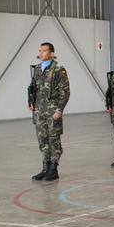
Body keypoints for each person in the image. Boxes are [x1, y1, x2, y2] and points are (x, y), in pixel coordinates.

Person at [27, 42, 70, 181]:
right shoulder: (38, 69)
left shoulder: (59, 69)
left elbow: (65, 92)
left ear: (51, 53)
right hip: (39, 110)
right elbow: (34, 89)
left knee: (54, 140)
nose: (41, 53)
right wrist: (31, 103)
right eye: (40, 50)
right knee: (42, 140)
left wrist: (59, 110)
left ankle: (53, 169)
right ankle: (45, 168)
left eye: (44, 51)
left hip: (52, 111)